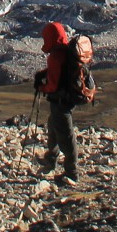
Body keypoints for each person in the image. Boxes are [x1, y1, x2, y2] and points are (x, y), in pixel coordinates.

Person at [33, 20, 87, 181]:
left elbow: (52, 86)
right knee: (54, 127)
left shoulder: (55, 56)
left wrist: (41, 87)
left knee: (65, 134)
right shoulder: (65, 51)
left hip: (61, 101)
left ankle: (72, 172)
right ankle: (51, 158)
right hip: (67, 99)